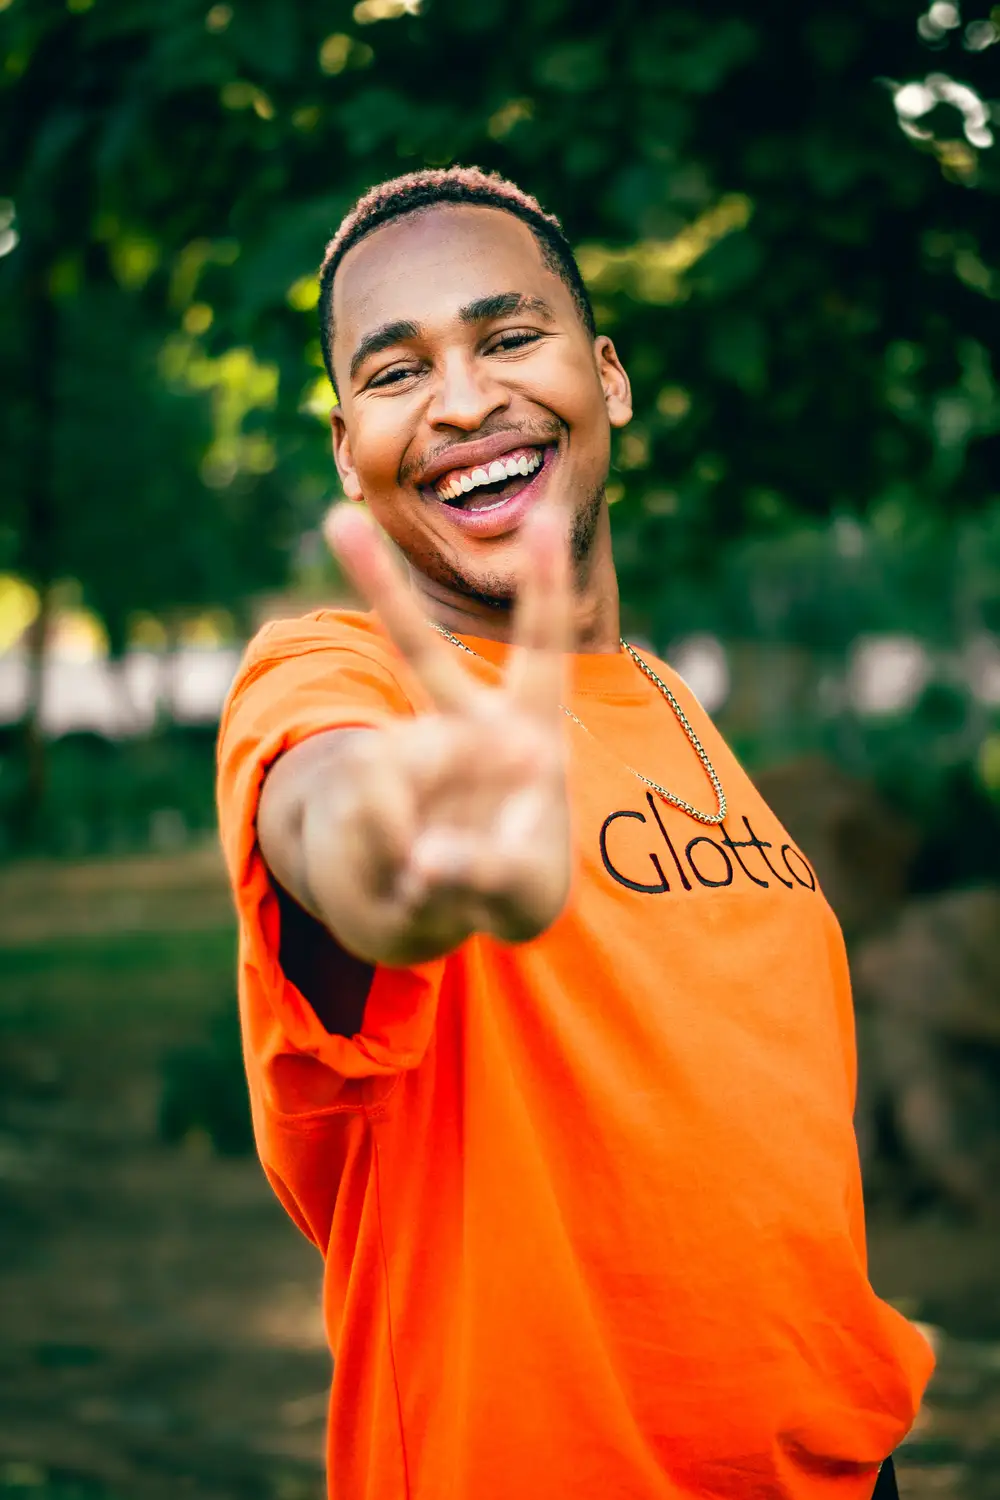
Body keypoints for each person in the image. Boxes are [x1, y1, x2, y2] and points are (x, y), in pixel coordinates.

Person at [216, 166, 933, 1500]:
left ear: (606, 377)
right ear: (343, 448)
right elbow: (337, 818)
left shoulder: (672, 703)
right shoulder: (331, 678)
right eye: (395, 371)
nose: (464, 401)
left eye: (506, 337)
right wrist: (416, 849)